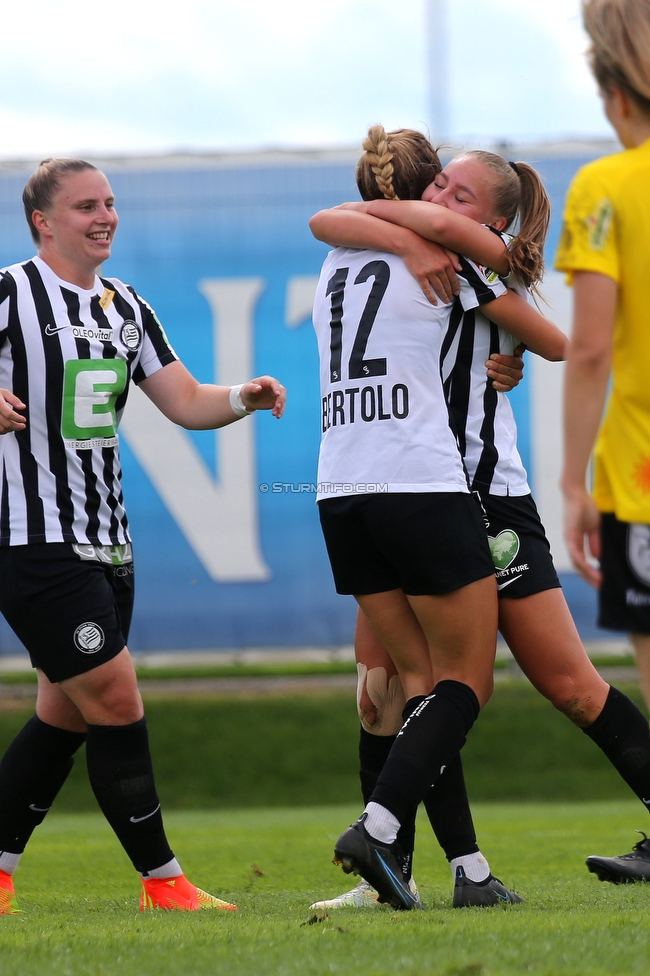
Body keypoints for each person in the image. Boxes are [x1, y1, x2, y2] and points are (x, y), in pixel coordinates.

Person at [310, 133, 650, 906]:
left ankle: (405, 845)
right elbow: (333, 223)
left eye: (458, 195)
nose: (439, 203)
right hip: (412, 490)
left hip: (482, 494)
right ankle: (446, 872)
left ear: (490, 217)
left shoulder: (467, 258)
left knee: (565, 683)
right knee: (388, 688)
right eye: (440, 189)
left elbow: (551, 340)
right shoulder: (408, 249)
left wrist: (510, 353)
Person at [0, 157, 286, 915]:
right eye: (87, 205)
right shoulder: (9, 292)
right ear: (43, 221)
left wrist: (243, 397)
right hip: (31, 537)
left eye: (111, 203)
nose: (106, 216)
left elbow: (186, 402)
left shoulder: (127, 305)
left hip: (109, 542)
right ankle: (164, 882)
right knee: (117, 699)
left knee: (63, 714)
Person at [558, 0, 650, 885]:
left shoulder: (607, 188)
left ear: (612, 89)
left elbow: (588, 350)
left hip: (641, 476)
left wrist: (571, 480)